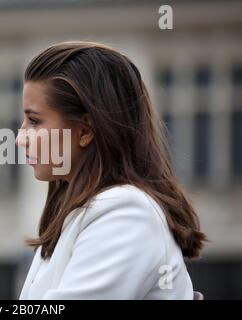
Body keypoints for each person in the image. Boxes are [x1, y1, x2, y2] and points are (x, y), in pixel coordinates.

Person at [16, 41, 207, 299]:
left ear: (85, 130)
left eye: (35, 121)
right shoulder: (79, 214)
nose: (20, 138)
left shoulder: (126, 212)